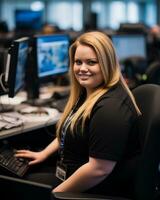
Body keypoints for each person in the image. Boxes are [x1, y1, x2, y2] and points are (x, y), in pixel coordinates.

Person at [16, 31, 141, 198]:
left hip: (94, 189)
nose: (82, 69)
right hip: (71, 172)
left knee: (15, 188)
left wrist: (54, 195)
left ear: (107, 64)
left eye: (91, 62)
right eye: (78, 62)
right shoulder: (90, 91)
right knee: (20, 177)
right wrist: (44, 154)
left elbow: (99, 170)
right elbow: (72, 127)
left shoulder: (110, 108)